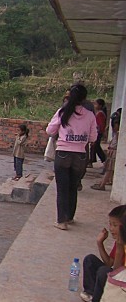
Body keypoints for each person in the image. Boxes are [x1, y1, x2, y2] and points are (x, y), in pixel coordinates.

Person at [46, 84, 97, 230]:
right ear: (84, 98)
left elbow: (50, 130)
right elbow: (93, 138)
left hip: (63, 153)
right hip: (80, 155)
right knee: (73, 187)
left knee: (62, 188)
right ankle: (69, 217)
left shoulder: (63, 112)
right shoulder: (90, 115)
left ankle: (61, 221)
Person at [80, 205, 126, 302]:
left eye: (115, 225)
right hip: (115, 279)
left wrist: (120, 250)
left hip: (121, 286)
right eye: (110, 224)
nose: (111, 228)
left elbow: (117, 274)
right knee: (90, 259)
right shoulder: (119, 241)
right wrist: (100, 243)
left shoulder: (122, 244)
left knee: (103, 271)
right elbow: (109, 263)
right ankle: (91, 292)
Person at [92, 115, 120, 191]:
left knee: (109, 170)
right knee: (109, 170)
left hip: (113, 152)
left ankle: (102, 184)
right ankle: (104, 182)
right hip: (112, 152)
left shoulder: (118, 134)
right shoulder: (116, 133)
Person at [90, 98, 108, 167]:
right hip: (97, 132)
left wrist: (99, 131)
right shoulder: (99, 113)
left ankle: (104, 159)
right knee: (95, 147)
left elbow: (101, 124)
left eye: (96, 104)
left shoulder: (100, 114)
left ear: (100, 106)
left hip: (98, 132)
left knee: (96, 147)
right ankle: (93, 160)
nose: (95, 106)